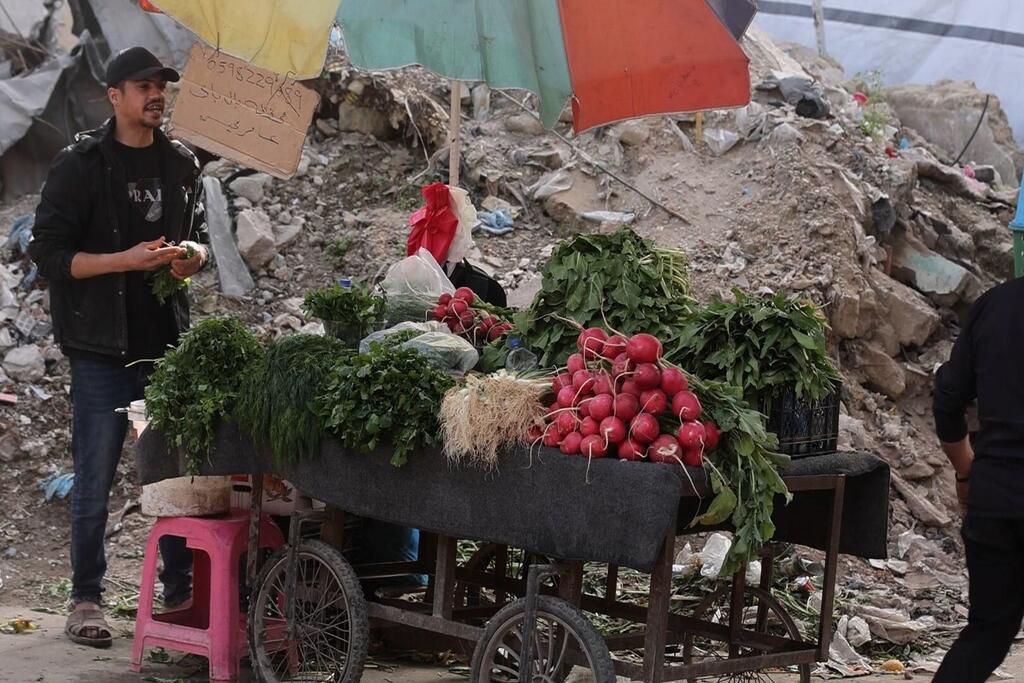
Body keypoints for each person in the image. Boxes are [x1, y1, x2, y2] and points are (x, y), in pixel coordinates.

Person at [28, 47, 208, 648]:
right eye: (143, 86)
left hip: (165, 349)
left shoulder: (181, 164)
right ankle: (86, 599)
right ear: (114, 95)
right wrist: (124, 263)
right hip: (101, 350)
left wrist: (189, 261)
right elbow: (48, 256)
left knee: (175, 480)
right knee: (96, 476)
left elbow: (199, 242)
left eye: (161, 86)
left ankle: (180, 594)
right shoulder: (79, 165)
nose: (156, 95)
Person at [932, 277, 1024, 682]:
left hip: (995, 501)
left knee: (986, 634)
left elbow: (948, 397)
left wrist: (966, 470)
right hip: (995, 494)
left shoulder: (995, 304)